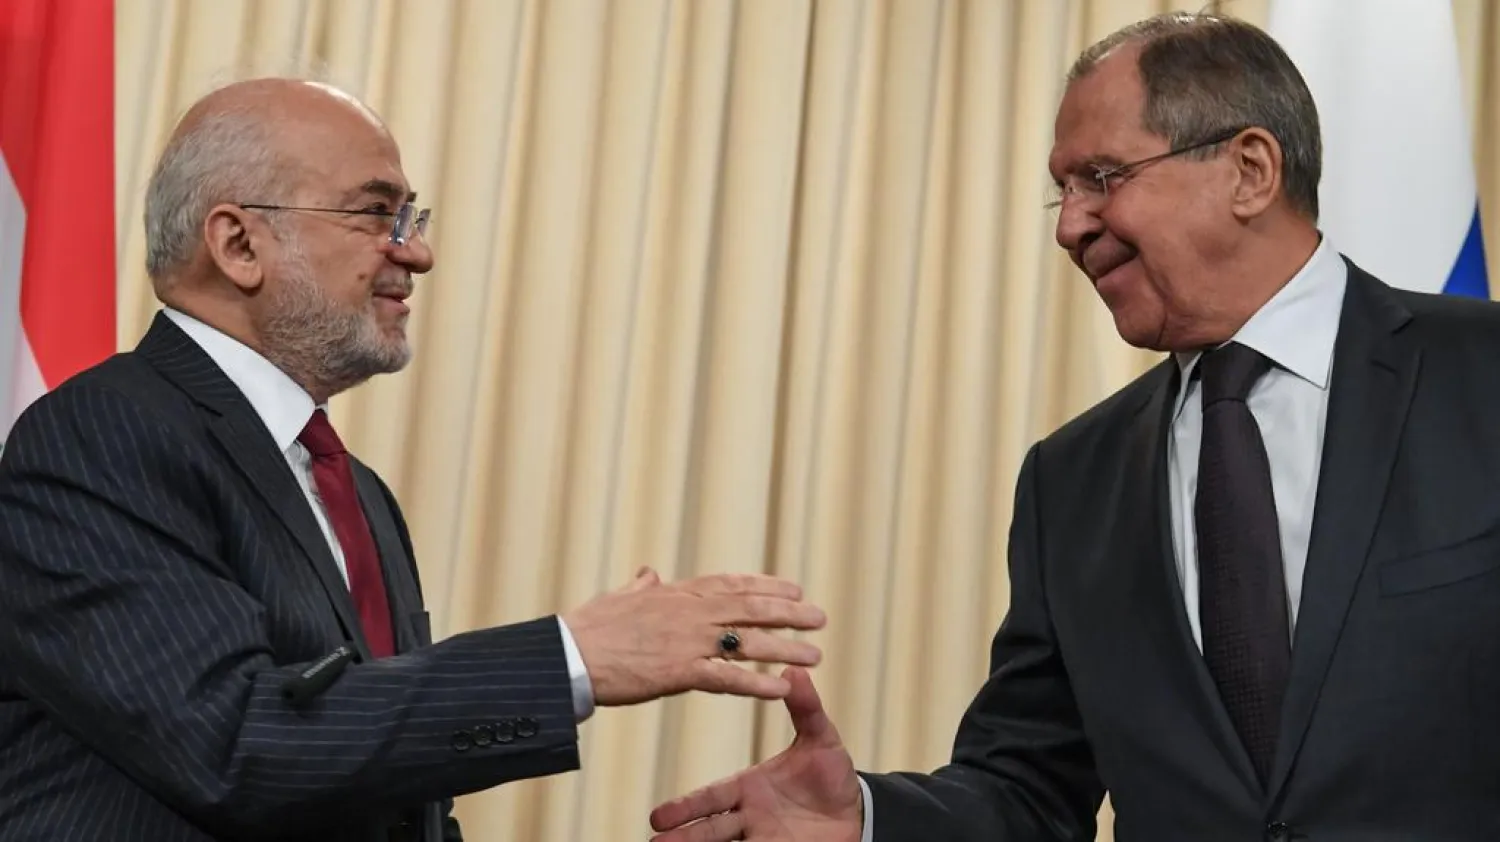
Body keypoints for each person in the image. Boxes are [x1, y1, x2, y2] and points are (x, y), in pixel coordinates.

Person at [648, 11, 1500, 842]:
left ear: (1249, 171)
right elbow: (1029, 791)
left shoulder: (1481, 375)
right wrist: (866, 818)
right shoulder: (1072, 479)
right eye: (1064, 190)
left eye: (1102, 177)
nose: (1069, 226)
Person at [0, 78, 828, 842]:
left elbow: (385, 796)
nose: (417, 253)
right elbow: (231, 741)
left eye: (412, 219)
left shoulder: (354, 489)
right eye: (375, 214)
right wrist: (570, 657)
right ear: (239, 243)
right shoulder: (97, 436)